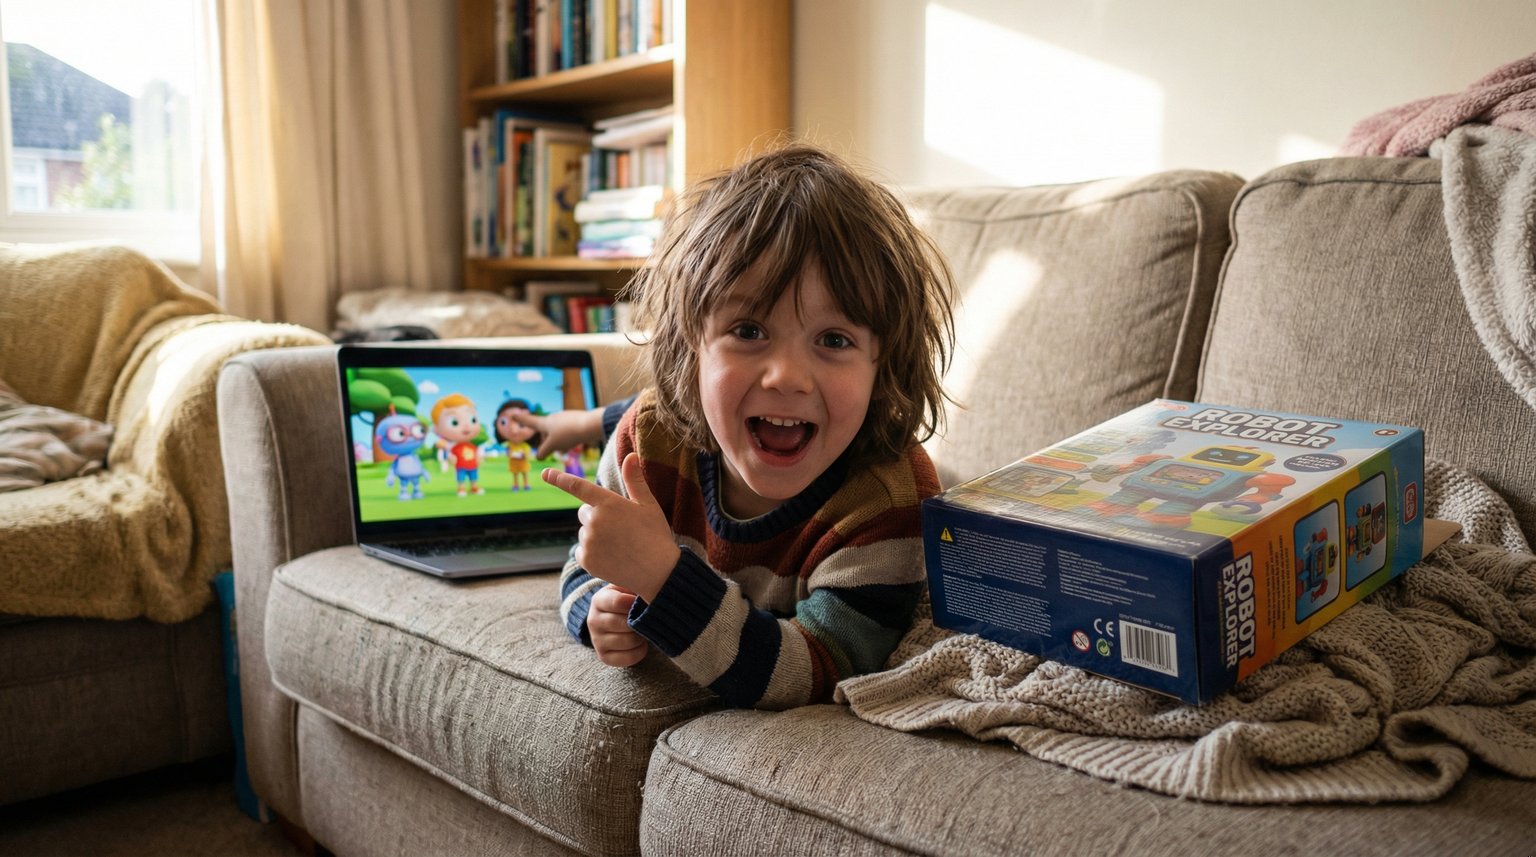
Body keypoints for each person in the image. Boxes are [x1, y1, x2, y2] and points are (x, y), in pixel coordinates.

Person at [542, 143, 956, 710]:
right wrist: (596, 610)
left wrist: (666, 580)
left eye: (834, 340)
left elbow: (813, 671)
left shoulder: (886, 500)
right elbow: (584, 561)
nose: (787, 375)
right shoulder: (648, 442)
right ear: (692, 344)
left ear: (884, 369)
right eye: (749, 330)